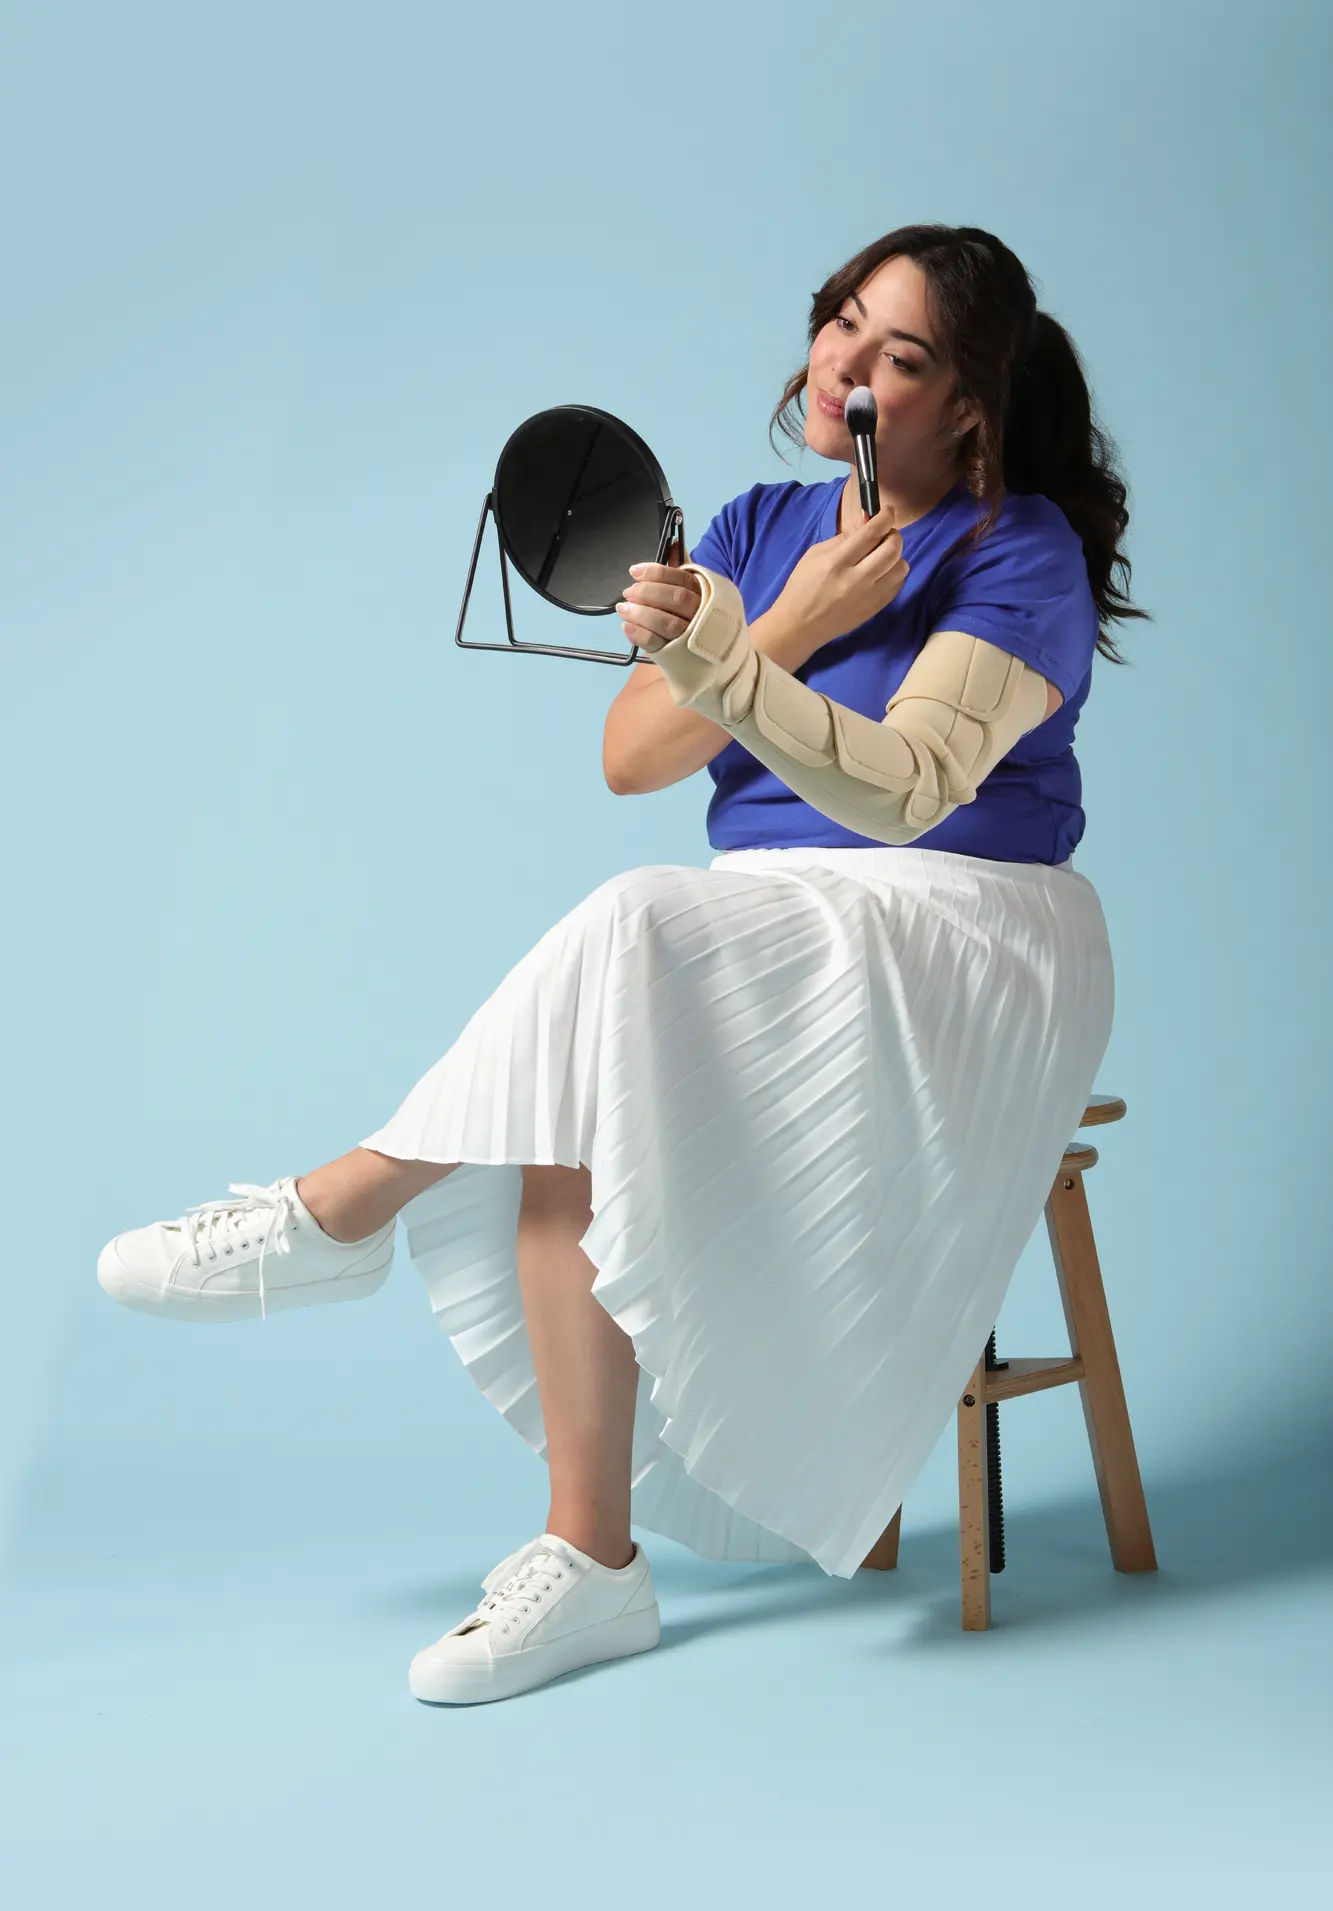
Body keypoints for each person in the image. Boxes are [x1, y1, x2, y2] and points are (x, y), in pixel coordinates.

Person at [97, 223, 1149, 1708]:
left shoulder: (1015, 547)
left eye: (898, 353)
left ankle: (344, 1208)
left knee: (629, 927)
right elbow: (630, 754)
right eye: (839, 323)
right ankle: (591, 1566)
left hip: (963, 925)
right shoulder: (754, 527)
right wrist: (788, 623)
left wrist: (735, 667)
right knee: (607, 1013)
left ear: (970, 403)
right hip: (766, 922)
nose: (845, 362)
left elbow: (911, 788)